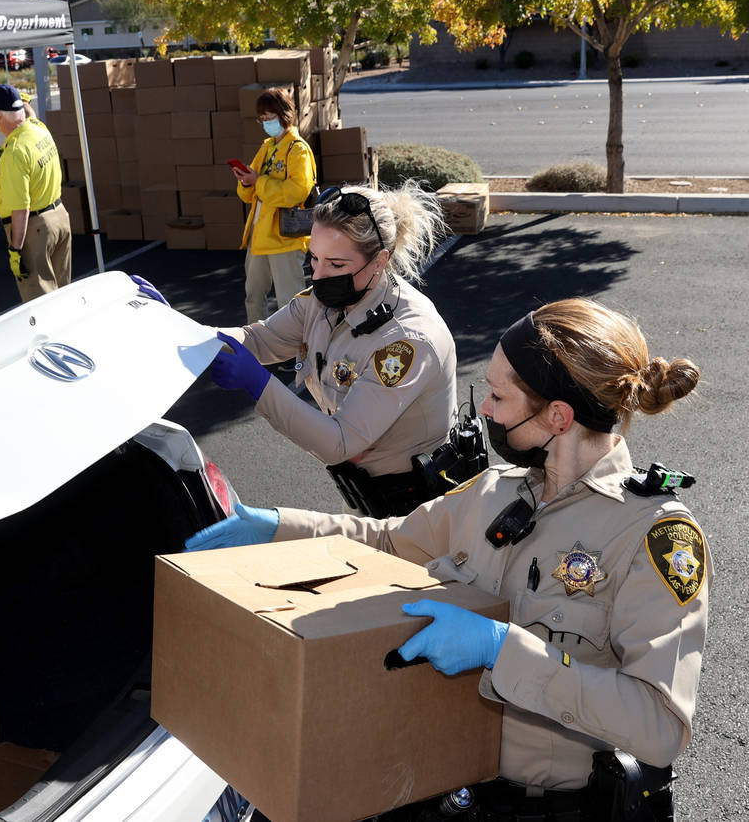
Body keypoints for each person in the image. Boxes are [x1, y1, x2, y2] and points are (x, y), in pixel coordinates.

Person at [189, 298, 707, 822]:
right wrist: (277, 527)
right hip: (431, 787)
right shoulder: (491, 493)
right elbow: (390, 543)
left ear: (557, 416)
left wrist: (503, 650)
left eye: (500, 396)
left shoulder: (654, 535)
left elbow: (660, 726)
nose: (484, 409)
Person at [209, 184, 462, 517]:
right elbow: (260, 339)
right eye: (314, 258)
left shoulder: (407, 341)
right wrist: (174, 328)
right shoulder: (329, 299)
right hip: (368, 496)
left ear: (379, 261)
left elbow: (340, 441)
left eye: (336, 264)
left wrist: (260, 385)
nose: (318, 275)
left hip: (419, 512)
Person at [0, 83, 71, 302]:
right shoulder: (38, 129)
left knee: (41, 302)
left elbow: (21, 208)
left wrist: (16, 249)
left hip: (35, 230)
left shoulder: (14, 152)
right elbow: (31, 115)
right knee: (63, 295)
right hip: (59, 217)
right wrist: (23, 103)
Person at [231, 87, 316, 324]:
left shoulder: (297, 149)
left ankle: (294, 353)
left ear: (285, 115)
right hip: (259, 235)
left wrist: (258, 182)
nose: (266, 123)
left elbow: (297, 192)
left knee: (290, 302)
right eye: (263, 119)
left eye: (270, 117)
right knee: (253, 296)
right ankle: (255, 345)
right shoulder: (267, 147)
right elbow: (247, 194)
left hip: (284, 239)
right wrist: (247, 182)